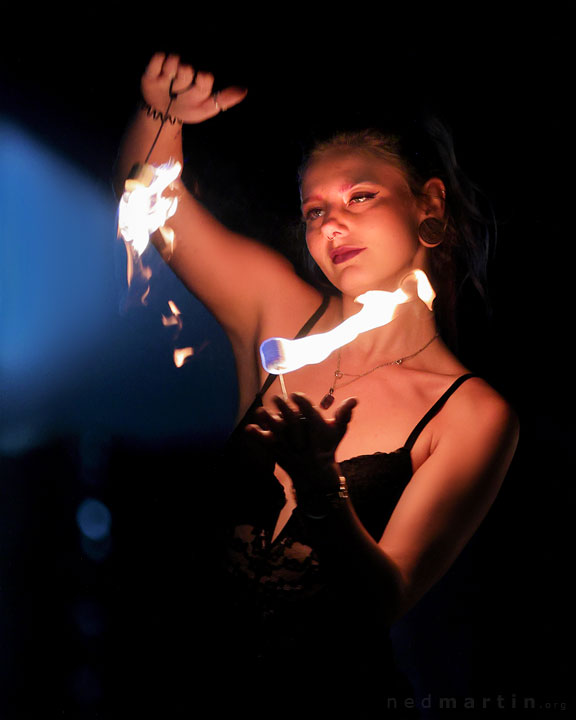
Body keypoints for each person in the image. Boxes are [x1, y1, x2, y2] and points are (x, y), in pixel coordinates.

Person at [115, 53, 519, 713]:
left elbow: (385, 598)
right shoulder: (276, 309)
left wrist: (320, 485)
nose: (332, 224)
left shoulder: (471, 413)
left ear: (429, 205)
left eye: (361, 197)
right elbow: (154, 206)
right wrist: (162, 114)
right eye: (313, 210)